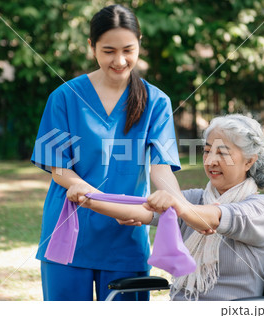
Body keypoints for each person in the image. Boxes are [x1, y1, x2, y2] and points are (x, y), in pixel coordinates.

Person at [31, 4, 182, 301]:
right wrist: (95, 197)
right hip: (69, 235)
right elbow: (59, 169)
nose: (120, 60)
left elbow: (161, 169)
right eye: (108, 51)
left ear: (140, 43)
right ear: (92, 47)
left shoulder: (156, 102)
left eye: (128, 49)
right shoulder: (64, 97)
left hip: (125, 239)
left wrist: (180, 209)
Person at [81, 114, 264, 301]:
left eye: (222, 153)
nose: (210, 160)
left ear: (249, 161)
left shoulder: (262, 209)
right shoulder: (195, 198)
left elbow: (215, 217)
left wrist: (177, 204)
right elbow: (140, 210)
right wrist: (88, 199)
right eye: (207, 151)